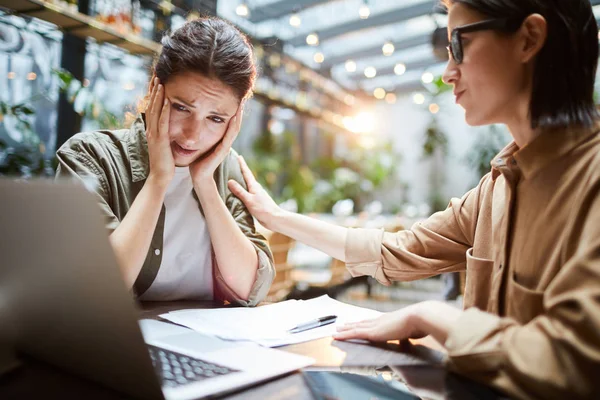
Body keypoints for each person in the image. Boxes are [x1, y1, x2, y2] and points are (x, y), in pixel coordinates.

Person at [227, 0, 600, 398]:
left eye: (458, 46)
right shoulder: (499, 185)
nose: (447, 72)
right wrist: (277, 217)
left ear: (529, 39)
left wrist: (433, 316)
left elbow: (572, 363)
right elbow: (397, 249)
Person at [55, 17, 274, 306]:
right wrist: (159, 180)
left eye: (216, 119)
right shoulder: (89, 157)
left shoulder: (228, 170)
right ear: (153, 89)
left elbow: (249, 288)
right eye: (182, 108)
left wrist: (205, 184)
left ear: (235, 119)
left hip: (204, 349)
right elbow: (100, 288)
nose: (193, 137)